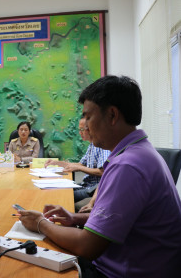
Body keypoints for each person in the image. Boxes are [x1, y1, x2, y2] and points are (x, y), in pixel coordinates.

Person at [19, 75, 181, 277]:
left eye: (88, 116)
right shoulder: (139, 152)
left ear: (112, 115)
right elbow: (119, 216)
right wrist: (74, 217)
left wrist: (40, 224)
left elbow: (88, 246)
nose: (85, 125)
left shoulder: (128, 165)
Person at [45, 118, 110, 203]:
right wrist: (56, 163)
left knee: (62, 196)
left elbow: (103, 171)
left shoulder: (101, 146)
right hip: (85, 185)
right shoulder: (91, 145)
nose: (80, 133)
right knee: (57, 190)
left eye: (82, 130)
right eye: (79, 130)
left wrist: (79, 168)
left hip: (93, 189)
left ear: (91, 129)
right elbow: (80, 164)